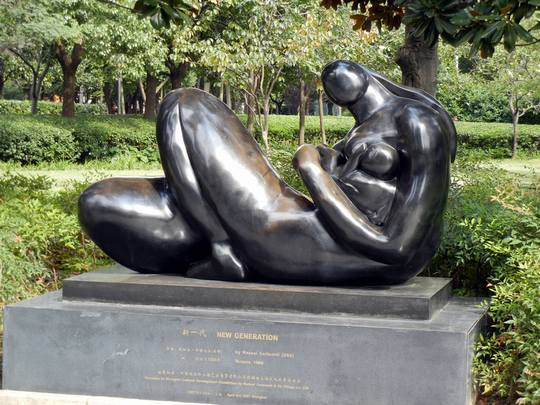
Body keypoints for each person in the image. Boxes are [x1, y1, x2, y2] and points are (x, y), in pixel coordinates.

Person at [79, 61, 454, 285]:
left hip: (294, 235)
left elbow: (397, 247)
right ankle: (216, 239)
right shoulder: (367, 127)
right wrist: (328, 163)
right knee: (99, 202)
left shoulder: (418, 120)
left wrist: (311, 169)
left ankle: (223, 245)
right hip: (298, 230)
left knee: (185, 104)